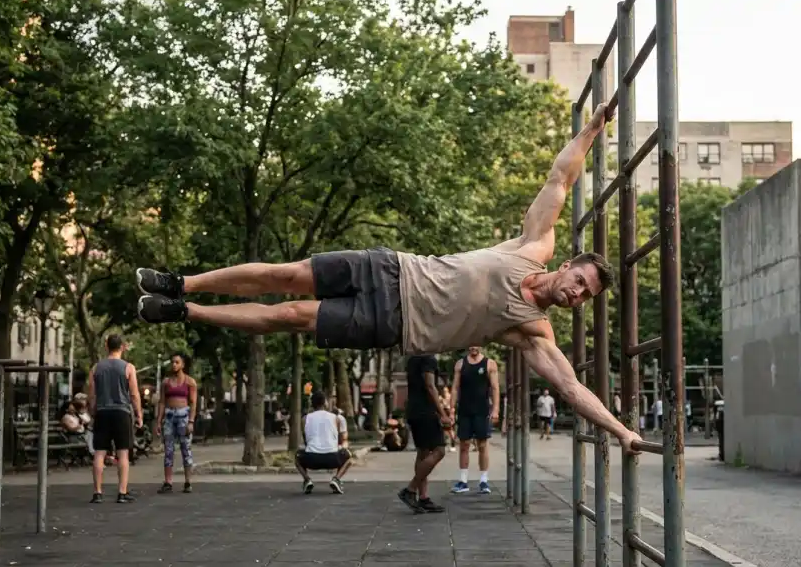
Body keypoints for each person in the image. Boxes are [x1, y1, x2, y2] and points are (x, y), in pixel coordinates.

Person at [135, 102, 643, 455]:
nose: (578, 295)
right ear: (565, 267)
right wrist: (593, 129)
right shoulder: (533, 247)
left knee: (287, 317)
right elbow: (561, 178)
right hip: (392, 266)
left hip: (391, 323)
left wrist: (621, 431)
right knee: (285, 273)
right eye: (580, 281)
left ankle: (185, 311)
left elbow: (572, 389)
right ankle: (182, 283)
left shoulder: (533, 330)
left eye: (586, 296)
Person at [87, 334, 143, 504]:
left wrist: (92, 411)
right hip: (121, 413)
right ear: (122, 347)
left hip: (103, 412)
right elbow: (134, 394)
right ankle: (122, 492)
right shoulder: (128, 368)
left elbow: (91, 394)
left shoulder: (96, 368)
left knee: (99, 453)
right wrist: (138, 414)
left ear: (106, 346)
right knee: (123, 453)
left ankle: (97, 492)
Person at [398, 354, 448, 513]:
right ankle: (410, 490)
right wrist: (442, 413)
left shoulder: (413, 358)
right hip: (425, 412)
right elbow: (430, 385)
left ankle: (423, 498)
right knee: (439, 451)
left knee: (423, 453)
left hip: (413, 411)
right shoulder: (428, 358)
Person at [449, 347, 499, 494]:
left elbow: (495, 388)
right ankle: (463, 481)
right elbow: (454, 388)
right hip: (464, 410)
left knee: (482, 445)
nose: (473, 348)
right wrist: (451, 409)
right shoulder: (460, 364)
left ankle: (484, 481)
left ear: (481, 345)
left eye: (476, 345)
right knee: (464, 444)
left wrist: (495, 409)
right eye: (471, 345)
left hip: (482, 410)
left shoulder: (490, 364)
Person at [155, 352, 197, 494]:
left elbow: (193, 402)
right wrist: (158, 421)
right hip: (169, 415)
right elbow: (161, 402)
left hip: (183, 415)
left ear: (183, 365)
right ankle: (168, 482)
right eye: (172, 362)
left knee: (186, 448)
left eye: (177, 362)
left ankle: (188, 482)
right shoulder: (166, 382)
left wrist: (191, 421)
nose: (174, 365)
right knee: (168, 450)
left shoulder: (190, 382)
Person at [296, 392, 352, 494]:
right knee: (348, 457)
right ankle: (336, 479)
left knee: (297, 457)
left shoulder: (304, 419)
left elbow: (306, 440)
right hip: (332, 458)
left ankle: (307, 480)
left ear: (312, 404)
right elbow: (341, 438)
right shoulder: (336, 418)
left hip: (311, 459)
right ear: (325, 403)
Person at [439, 385, 457, 452]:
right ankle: (444, 444)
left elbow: (451, 407)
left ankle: (453, 445)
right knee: (444, 430)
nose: (445, 392)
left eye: (446, 391)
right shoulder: (441, 397)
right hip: (444, 413)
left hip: (448, 413)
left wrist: (452, 415)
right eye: (444, 391)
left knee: (450, 430)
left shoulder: (449, 397)